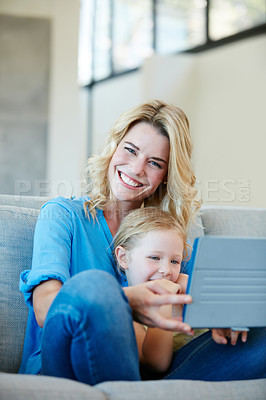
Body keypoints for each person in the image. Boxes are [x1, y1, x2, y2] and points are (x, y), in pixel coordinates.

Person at [19, 100, 266, 384]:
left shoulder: (165, 233)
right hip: (68, 369)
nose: (136, 169)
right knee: (95, 285)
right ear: (114, 148)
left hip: (149, 379)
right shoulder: (62, 215)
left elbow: (162, 351)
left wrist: (225, 310)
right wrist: (126, 301)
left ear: (165, 176)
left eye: (154, 163)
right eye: (130, 150)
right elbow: (44, 309)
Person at [114, 206, 208, 376]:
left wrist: (199, 291)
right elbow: (156, 365)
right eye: (155, 258)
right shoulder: (124, 306)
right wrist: (165, 300)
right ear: (124, 258)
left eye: (174, 261)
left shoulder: (185, 289)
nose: (166, 270)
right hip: (175, 373)